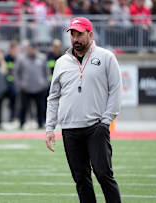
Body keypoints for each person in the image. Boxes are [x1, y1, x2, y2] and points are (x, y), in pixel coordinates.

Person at [45, 17, 122, 203]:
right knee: (81, 179)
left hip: (96, 126)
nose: (75, 38)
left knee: (104, 175)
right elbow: (53, 96)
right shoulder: (62, 62)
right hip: (70, 129)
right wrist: (50, 127)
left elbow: (115, 90)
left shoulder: (106, 57)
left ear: (90, 34)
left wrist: (106, 121)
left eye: (79, 34)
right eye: (72, 34)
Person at [15, 41, 48, 129]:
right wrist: (20, 84)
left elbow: (46, 72)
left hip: (39, 87)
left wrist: (44, 83)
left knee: (40, 107)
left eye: (33, 48)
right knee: (23, 107)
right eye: (29, 48)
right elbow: (17, 73)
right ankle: (21, 123)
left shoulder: (42, 58)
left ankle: (41, 123)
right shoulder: (21, 58)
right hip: (26, 87)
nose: (31, 50)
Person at [4, 41, 19, 122]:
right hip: (7, 84)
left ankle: (13, 117)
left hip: (15, 84)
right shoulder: (6, 58)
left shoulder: (18, 58)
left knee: (15, 101)